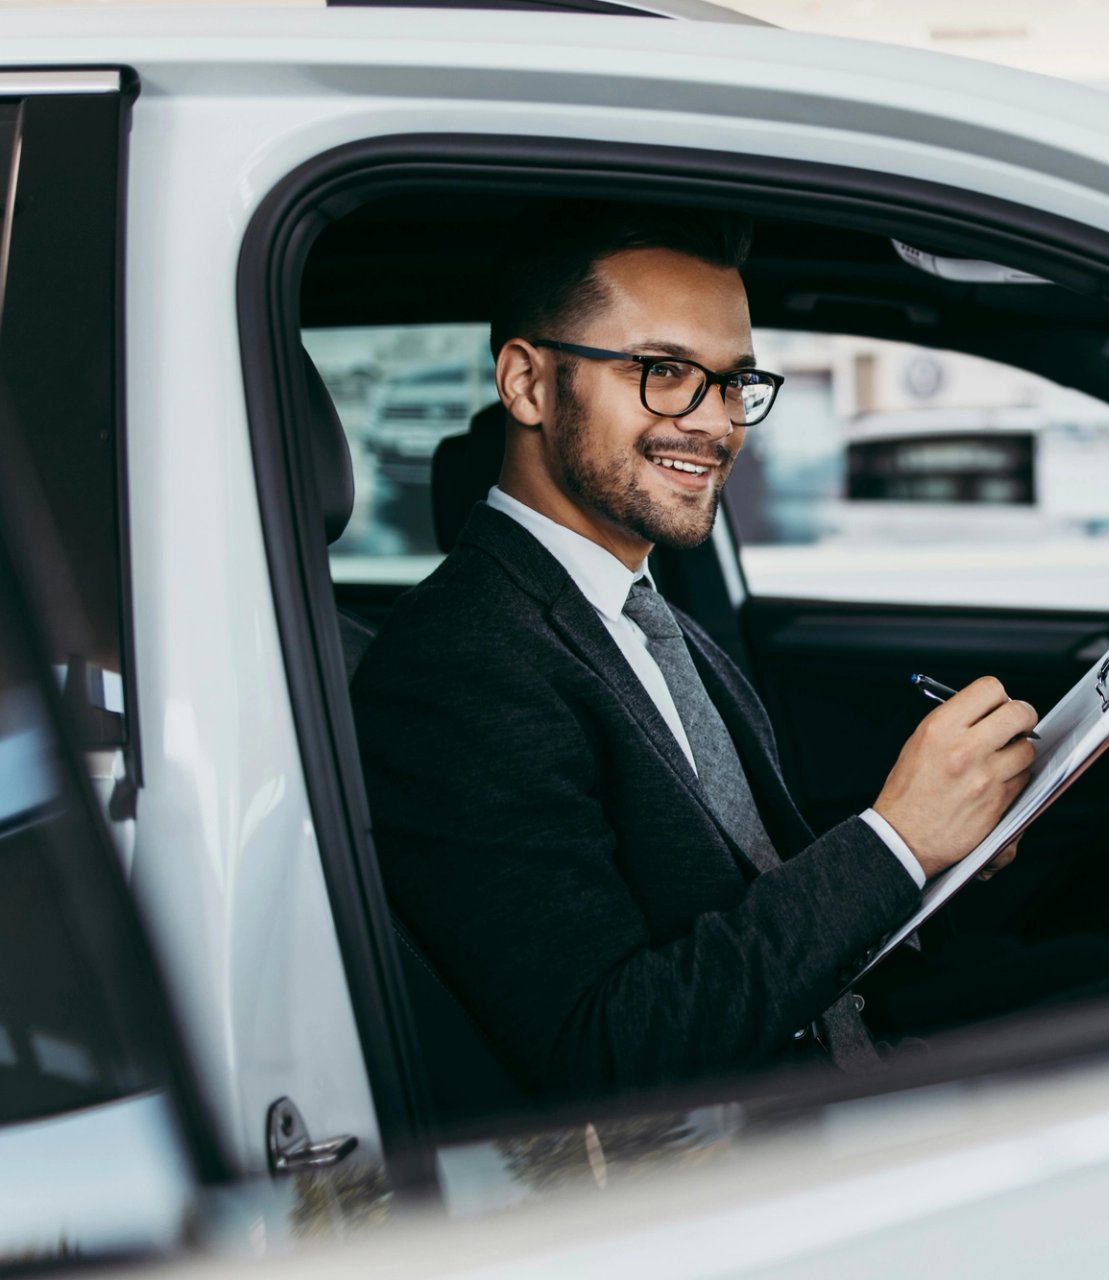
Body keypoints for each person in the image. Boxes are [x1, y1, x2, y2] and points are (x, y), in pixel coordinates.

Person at [350, 202, 1042, 1100]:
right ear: (525, 383)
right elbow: (608, 1052)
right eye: (664, 371)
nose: (717, 423)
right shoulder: (460, 665)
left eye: (732, 382)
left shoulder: (640, 610)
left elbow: (745, 891)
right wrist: (894, 843)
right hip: (746, 1165)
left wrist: (933, 848)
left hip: (843, 1057)